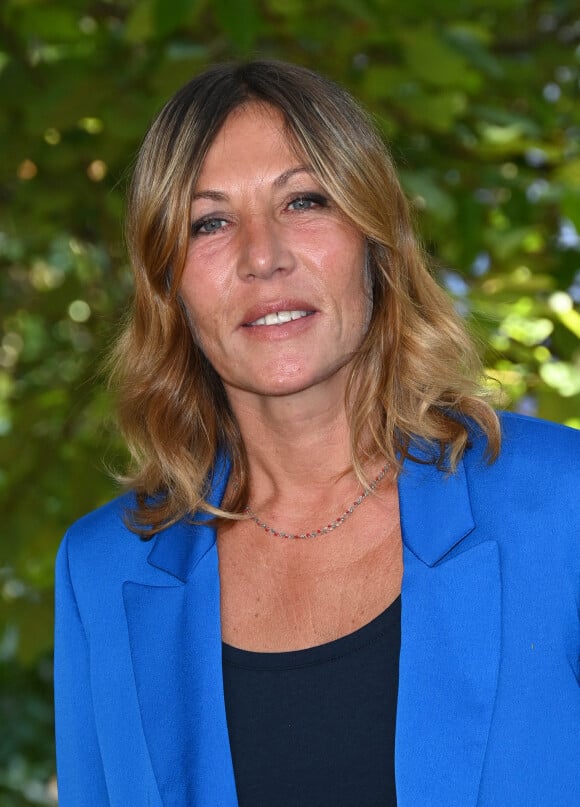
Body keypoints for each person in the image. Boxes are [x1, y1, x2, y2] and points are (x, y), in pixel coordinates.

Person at [53, 60, 580, 807]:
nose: (262, 256)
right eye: (210, 222)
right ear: (167, 284)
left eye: (304, 200)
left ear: (375, 235)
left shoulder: (562, 505)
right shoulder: (101, 571)